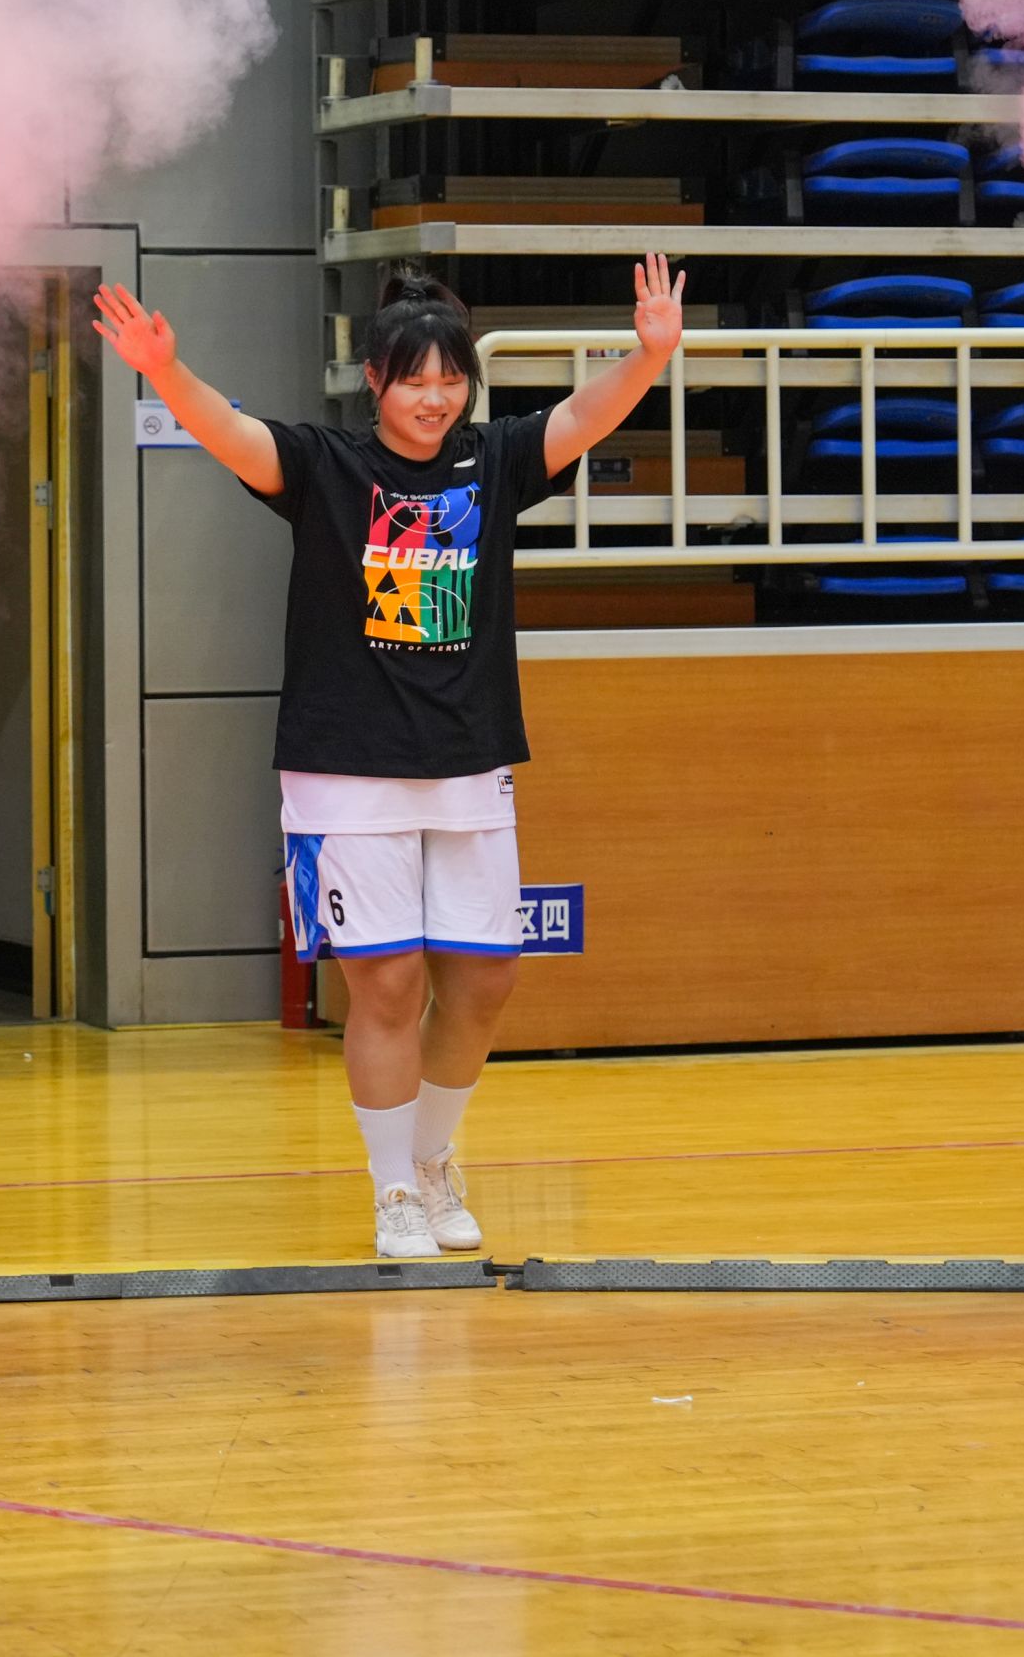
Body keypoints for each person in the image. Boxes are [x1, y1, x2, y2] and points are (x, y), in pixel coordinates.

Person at [94, 254, 687, 1258]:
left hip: (468, 761)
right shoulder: (327, 467)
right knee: (388, 984)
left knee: (486, 980)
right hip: (345, 770)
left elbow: (581, 419)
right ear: (374, 380)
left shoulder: (493, 461)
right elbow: (230, 433)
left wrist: (649, 356)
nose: (435, 398)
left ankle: (433, 1158)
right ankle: (394, 1192)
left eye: (452, 379)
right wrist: (165, 372)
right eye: (414, 380)